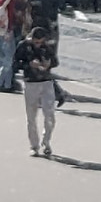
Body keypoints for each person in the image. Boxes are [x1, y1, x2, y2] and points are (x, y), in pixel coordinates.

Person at [14, 27, 59, 157]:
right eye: (36, 42)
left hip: (46, 82)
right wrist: (29, 64)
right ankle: (34, 145)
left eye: (40, 42)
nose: (38, 44)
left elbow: (55, 61)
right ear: (31, 38)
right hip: (31, 82)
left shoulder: (47, 46)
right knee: (31, 117)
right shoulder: (23, 46)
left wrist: (48, 64)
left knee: (49, 115)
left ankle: (46, 142)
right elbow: (16, 63)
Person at [27, 0, 68, 106]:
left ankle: (53, 94)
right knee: (40, 65)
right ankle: (54, 93)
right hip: (44, 31)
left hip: (41, 32)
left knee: (40, 65)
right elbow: (61, 6)